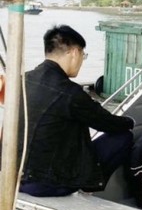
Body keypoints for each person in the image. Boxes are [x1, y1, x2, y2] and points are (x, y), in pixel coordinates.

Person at [19, 25, 134, 197]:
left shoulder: (23, 79)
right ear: (74, 52)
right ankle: (88, 186)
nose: (81, 60)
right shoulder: (70, 93)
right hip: (50, 184)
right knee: (124, 137)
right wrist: (130, 121)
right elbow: (109, 123)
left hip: (16, 177)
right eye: (83, 55)